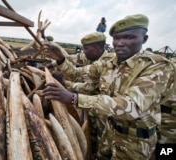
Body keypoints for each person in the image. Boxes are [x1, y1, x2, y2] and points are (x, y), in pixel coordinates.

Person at [42, 14, 174, 159]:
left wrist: (74, 98)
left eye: (129, 37)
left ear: (144, 39)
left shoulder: (157, 67)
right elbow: (78, 74)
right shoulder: (109, 61)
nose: (120, 43)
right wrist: (61, 59)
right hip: (108, 131)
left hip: (135, 142)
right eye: (117, 38)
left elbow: (133, 107)